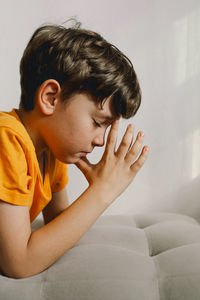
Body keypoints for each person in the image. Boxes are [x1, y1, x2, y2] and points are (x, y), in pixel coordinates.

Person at [0, 20, 149, 279]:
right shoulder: (7, 138)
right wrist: (103, 192)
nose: (101, 141)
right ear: (50, 98)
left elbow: (59, 227)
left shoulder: (50, 151)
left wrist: (98, 189)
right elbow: (18, 264)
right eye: (97, 122)